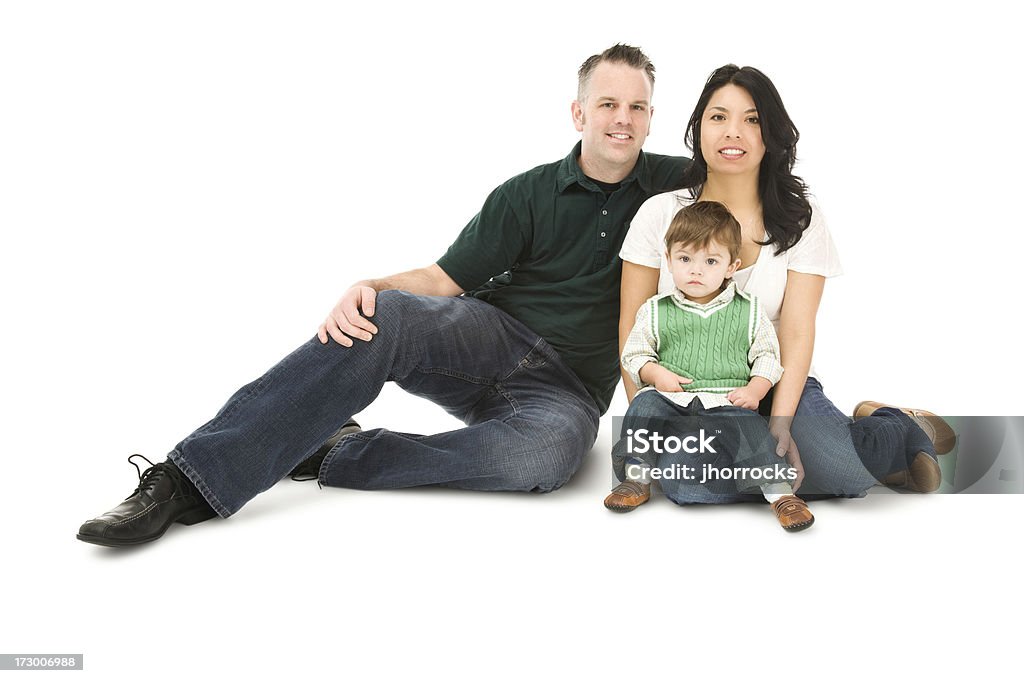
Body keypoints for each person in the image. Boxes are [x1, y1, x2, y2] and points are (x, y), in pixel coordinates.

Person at [77, 44, 689, 547]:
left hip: (571, 390)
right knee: (384, 316)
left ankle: (334, 452)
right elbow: (444, 281)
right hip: (489, 340)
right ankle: (187, 480)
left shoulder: (676, 185)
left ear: (651, 116)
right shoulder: (524, 195)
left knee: (543, 461)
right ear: (579, 113)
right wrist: (370, 287)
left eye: (637, 107)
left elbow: (753, 179)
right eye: (608, 103)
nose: (623, 120)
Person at [617, 64, 953, 503]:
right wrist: (654, 430)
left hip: (774, 377)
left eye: (751, 119)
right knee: (685, 484)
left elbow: (796, 330)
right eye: (718, 117)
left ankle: (895, 425)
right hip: (690, 393)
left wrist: (779, 421)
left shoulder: (800, 218)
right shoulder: (659, 214)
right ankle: (798, 469)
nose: (732, 132)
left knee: (843, 474)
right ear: (698, 128)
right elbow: (632, 325)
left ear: (770, 133)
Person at [605, 200, 814, 531]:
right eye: (685, 259)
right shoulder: (656, 310)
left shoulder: (749, 310)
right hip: (673, 397)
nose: (696, 270)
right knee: (644, 405)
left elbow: (768, 357)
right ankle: (636, 478)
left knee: (751, 430)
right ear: (669, 260)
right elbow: (634, 354)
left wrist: (755, 388)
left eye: (711, 261)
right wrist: (654, 373)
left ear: (732, 267)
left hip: (726, 397)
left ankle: (780, 494)